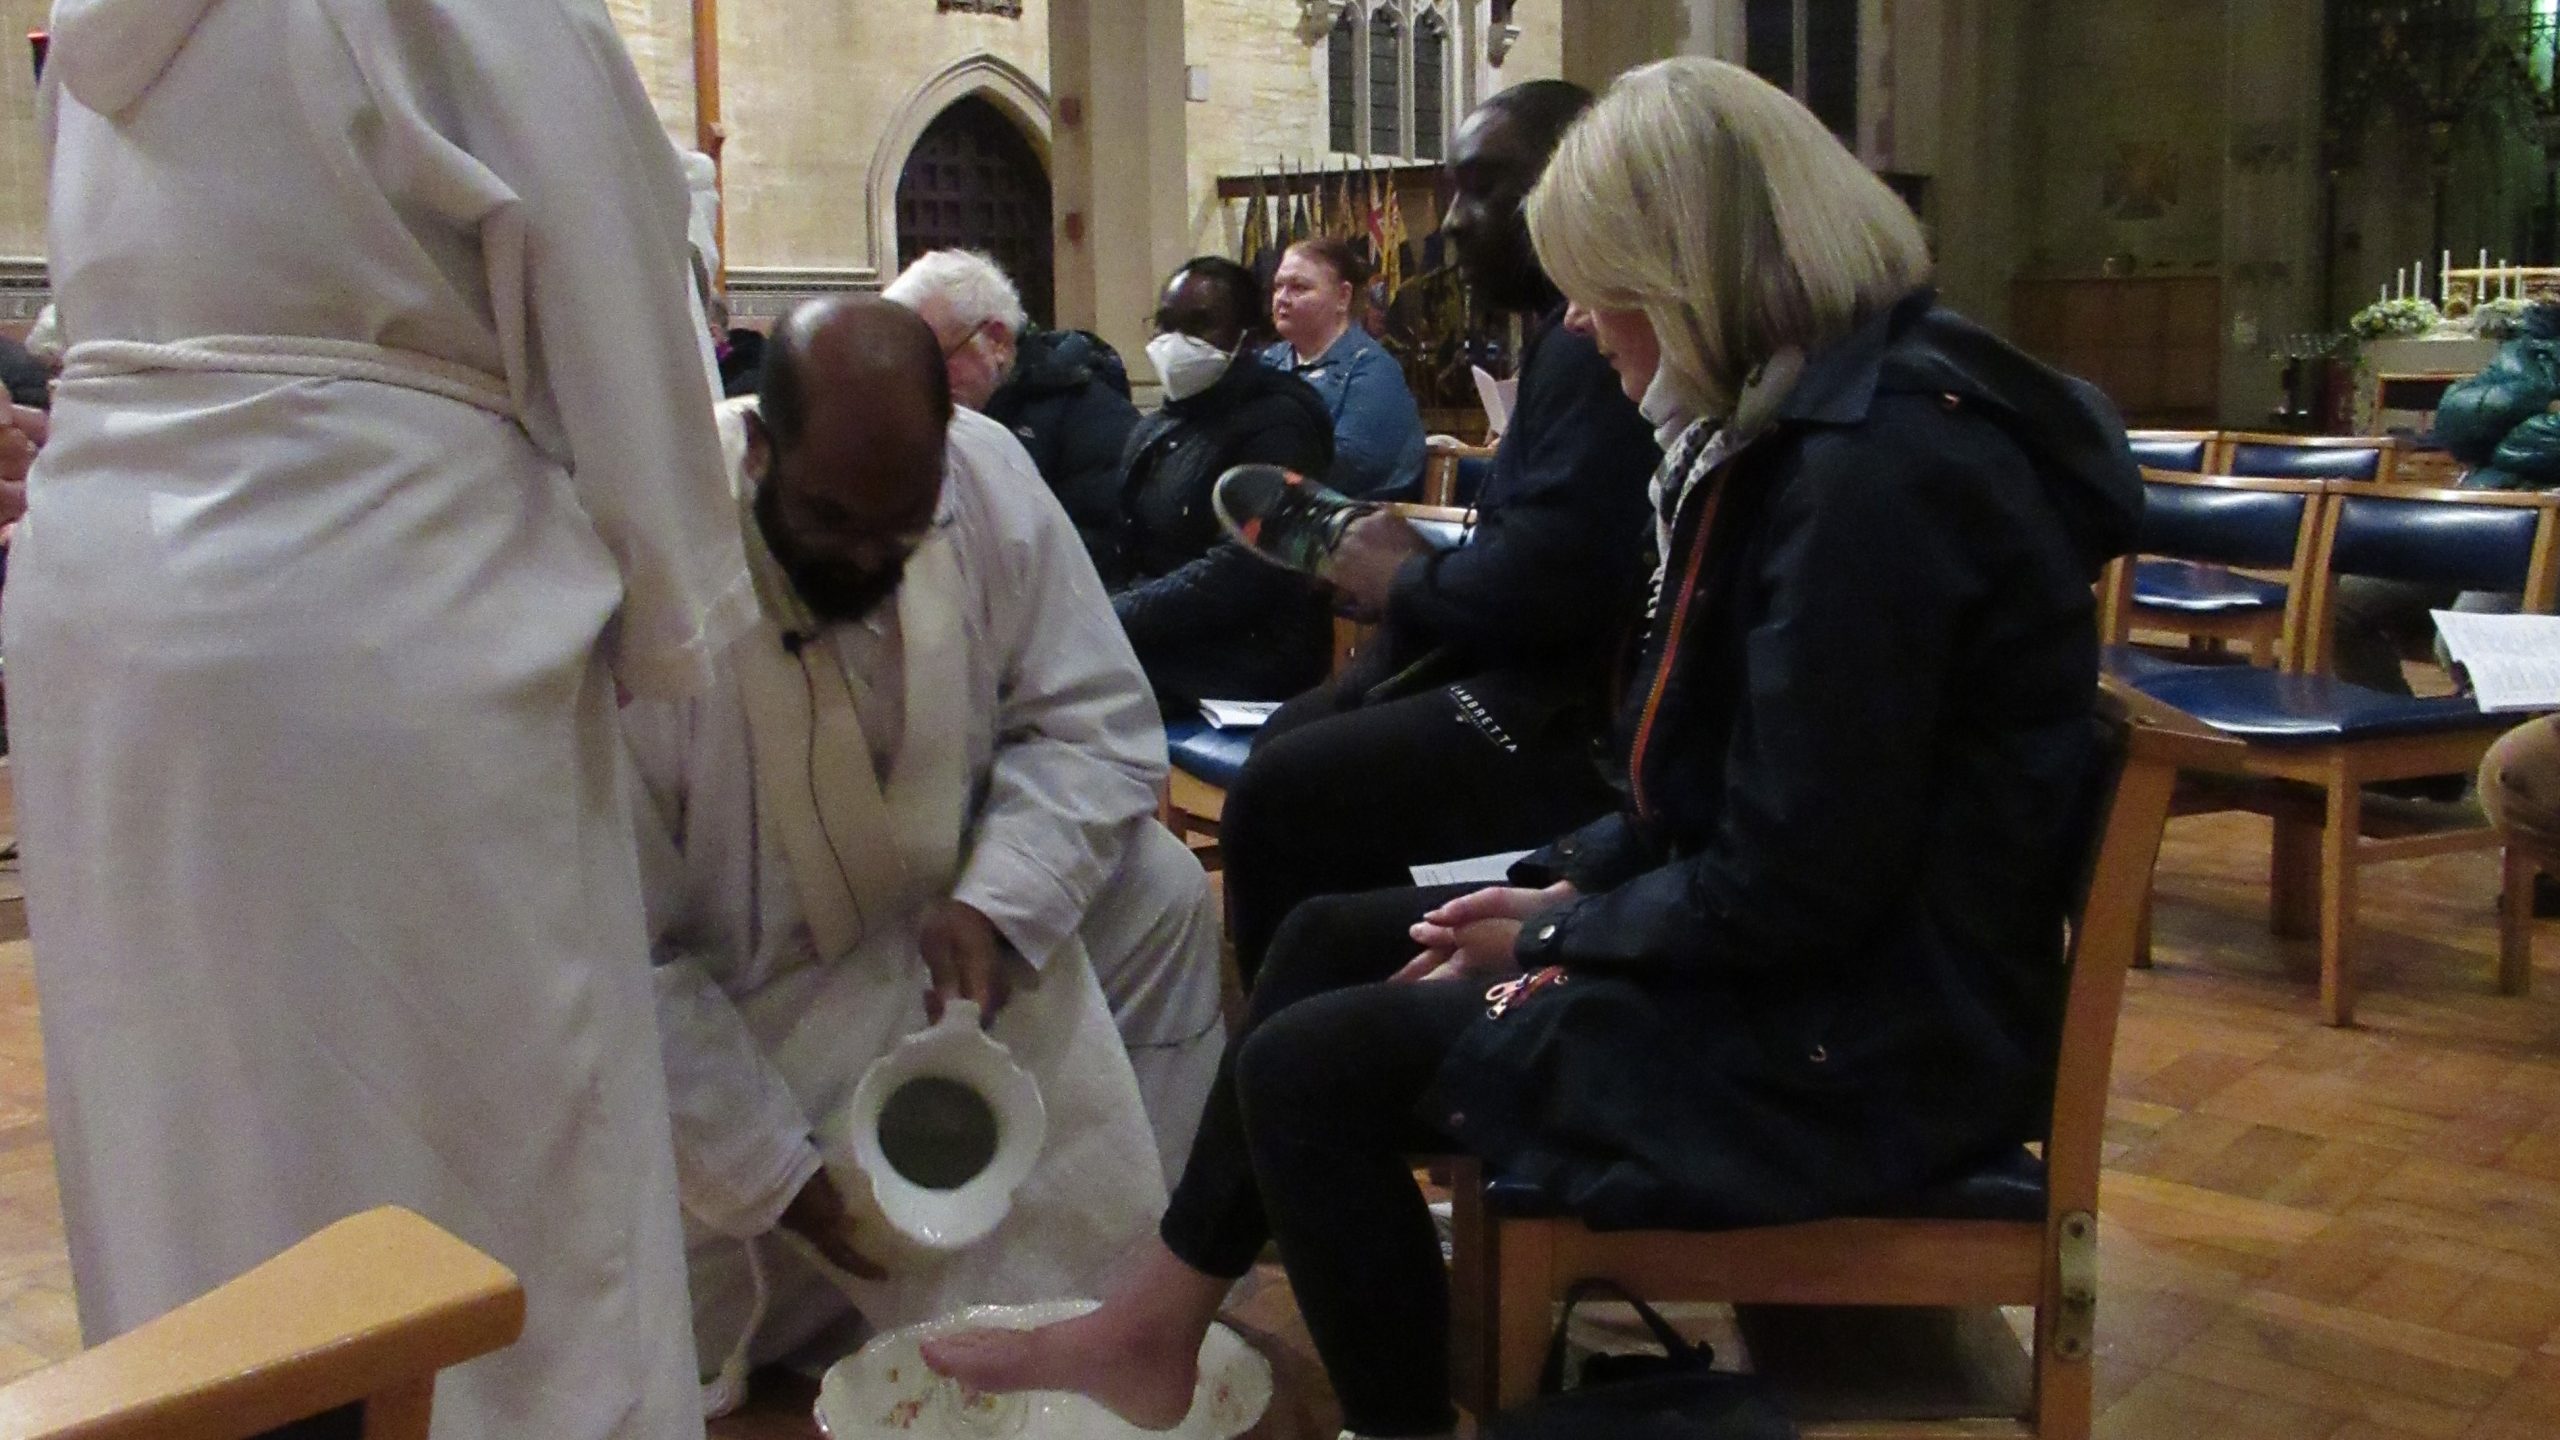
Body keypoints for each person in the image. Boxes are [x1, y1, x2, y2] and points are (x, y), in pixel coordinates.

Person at [922, 58, 2141, 1440]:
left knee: (1306, 1070)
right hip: (1829, 964)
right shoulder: (1825, 428)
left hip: (1869, 1040)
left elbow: (1796, 876)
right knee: (1325, 936)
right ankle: (1156, 1325)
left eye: (1594, 284)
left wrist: (1567, 935)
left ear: (1683, 271)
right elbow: (1735, 797)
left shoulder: (1878, 473)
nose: (1578, 323)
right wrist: (1568, 883)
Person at [11, 5, 756, 1437]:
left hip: (106, 611)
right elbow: (608, 272)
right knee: (483, 1185)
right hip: (379, 590)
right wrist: (670, 604)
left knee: (194, 1160)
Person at [625, 297, 1220, 1410]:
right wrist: (776, 1175)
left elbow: (1095, 723)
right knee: (689, 1286)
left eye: (897, 530)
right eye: (830, 521)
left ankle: (1137, 1295)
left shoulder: (986, 481)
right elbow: (613, 949)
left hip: (953, 952)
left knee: (1162, 891)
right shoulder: (653, 563)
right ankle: (872, 1285)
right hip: (748, 1020)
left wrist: (1002, 899)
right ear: (761, 450)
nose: (864, 559)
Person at [1218, 81, 1660, 982]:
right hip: (1516, 675)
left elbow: (1560, 584)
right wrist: (1408, 572)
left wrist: (1408, 582)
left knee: (1284, 789)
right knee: (1290, 751)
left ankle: (1328, 1016)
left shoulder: (1591, 343)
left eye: (1488, 187)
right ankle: (1349, 990)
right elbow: (1541, 547)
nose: (1455, 221)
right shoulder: (1568, 337)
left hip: (1563, 725)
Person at [1114, 256, 1337, 710]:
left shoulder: (1279, 422)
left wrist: (1116, 616)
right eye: (1166, 325)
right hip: (1165, 633)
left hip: (1250, 652)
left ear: (1247, 339)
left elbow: (1247, 569)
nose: (1177, 342)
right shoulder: (1163, 423)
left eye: (1199, 327)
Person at [884, 249, 1141, 575]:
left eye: (936, 359)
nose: (921, 382)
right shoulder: (929, 420)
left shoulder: (1092, 417)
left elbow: (1093, 555)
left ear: (996, 341)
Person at [1262, 236, 1428, 500]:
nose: (1282, 299)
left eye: (1298, 288)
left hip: (1348, 526)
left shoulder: (1374, 370)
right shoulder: (1267, 362)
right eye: (1277, 286)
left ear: (1343, 296)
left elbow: (1348, 467)